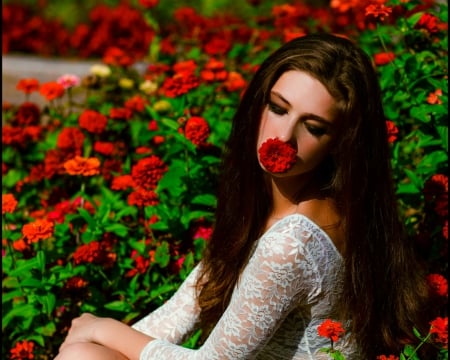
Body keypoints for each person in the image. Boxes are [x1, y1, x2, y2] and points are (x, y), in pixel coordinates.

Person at [55, 33, 435, 360]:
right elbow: (181, 311)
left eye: (313, 127)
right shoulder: (272, 207)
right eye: (278, 108)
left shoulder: (293, 242)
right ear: (259, 103)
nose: (283, 138)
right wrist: (93, 339)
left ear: (339, 144)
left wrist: (100, 329)